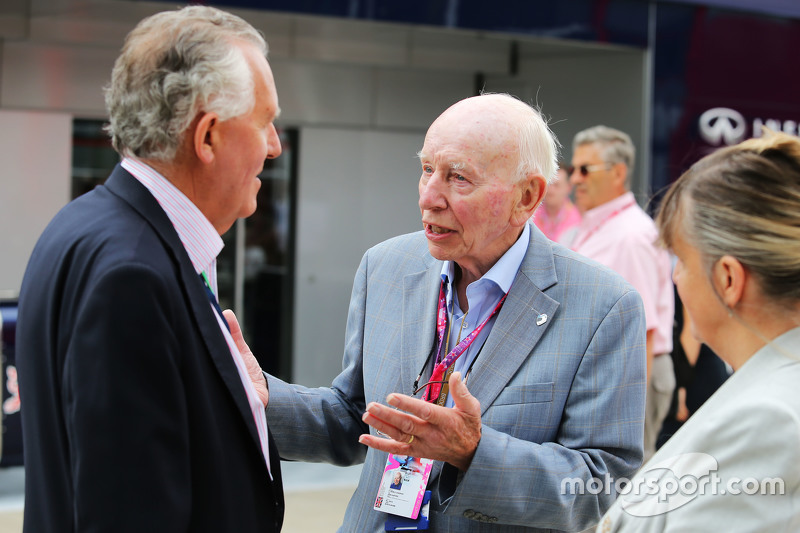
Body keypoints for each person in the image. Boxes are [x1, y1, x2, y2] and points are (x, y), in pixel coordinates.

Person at [236, 93, 647, 532]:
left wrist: (474, 452)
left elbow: (603, 484)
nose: (429, 197)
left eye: (458, 178)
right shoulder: (386, 267)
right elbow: (353, 415)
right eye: (427, 169)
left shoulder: (603, 305)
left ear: (527, 197)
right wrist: (262, 397)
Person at [15, 6, 284, 532]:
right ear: (207, 137)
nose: (275, 146)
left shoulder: (84, 225)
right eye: (265, 122)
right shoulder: (132, 275)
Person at [598, 129, 800, 531]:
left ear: (728, 279)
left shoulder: (770, 419)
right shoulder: (769, 393)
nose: (675, 277)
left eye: (684, 260)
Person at [565, 126, 674, 461]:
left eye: (585, 169)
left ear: (619, 173)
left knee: (628, 478)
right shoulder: (601, 226)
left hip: (631, 376)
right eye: (573, 169)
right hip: (611, 372)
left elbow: (642, 329)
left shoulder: (629, 235)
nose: (574, 180)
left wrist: (632, 404)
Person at [532, 161, 581, 241]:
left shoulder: (577, 220)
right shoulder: (531, 215)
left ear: (569, 187)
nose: (551, 190)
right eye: (549, 184)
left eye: (557, 185)